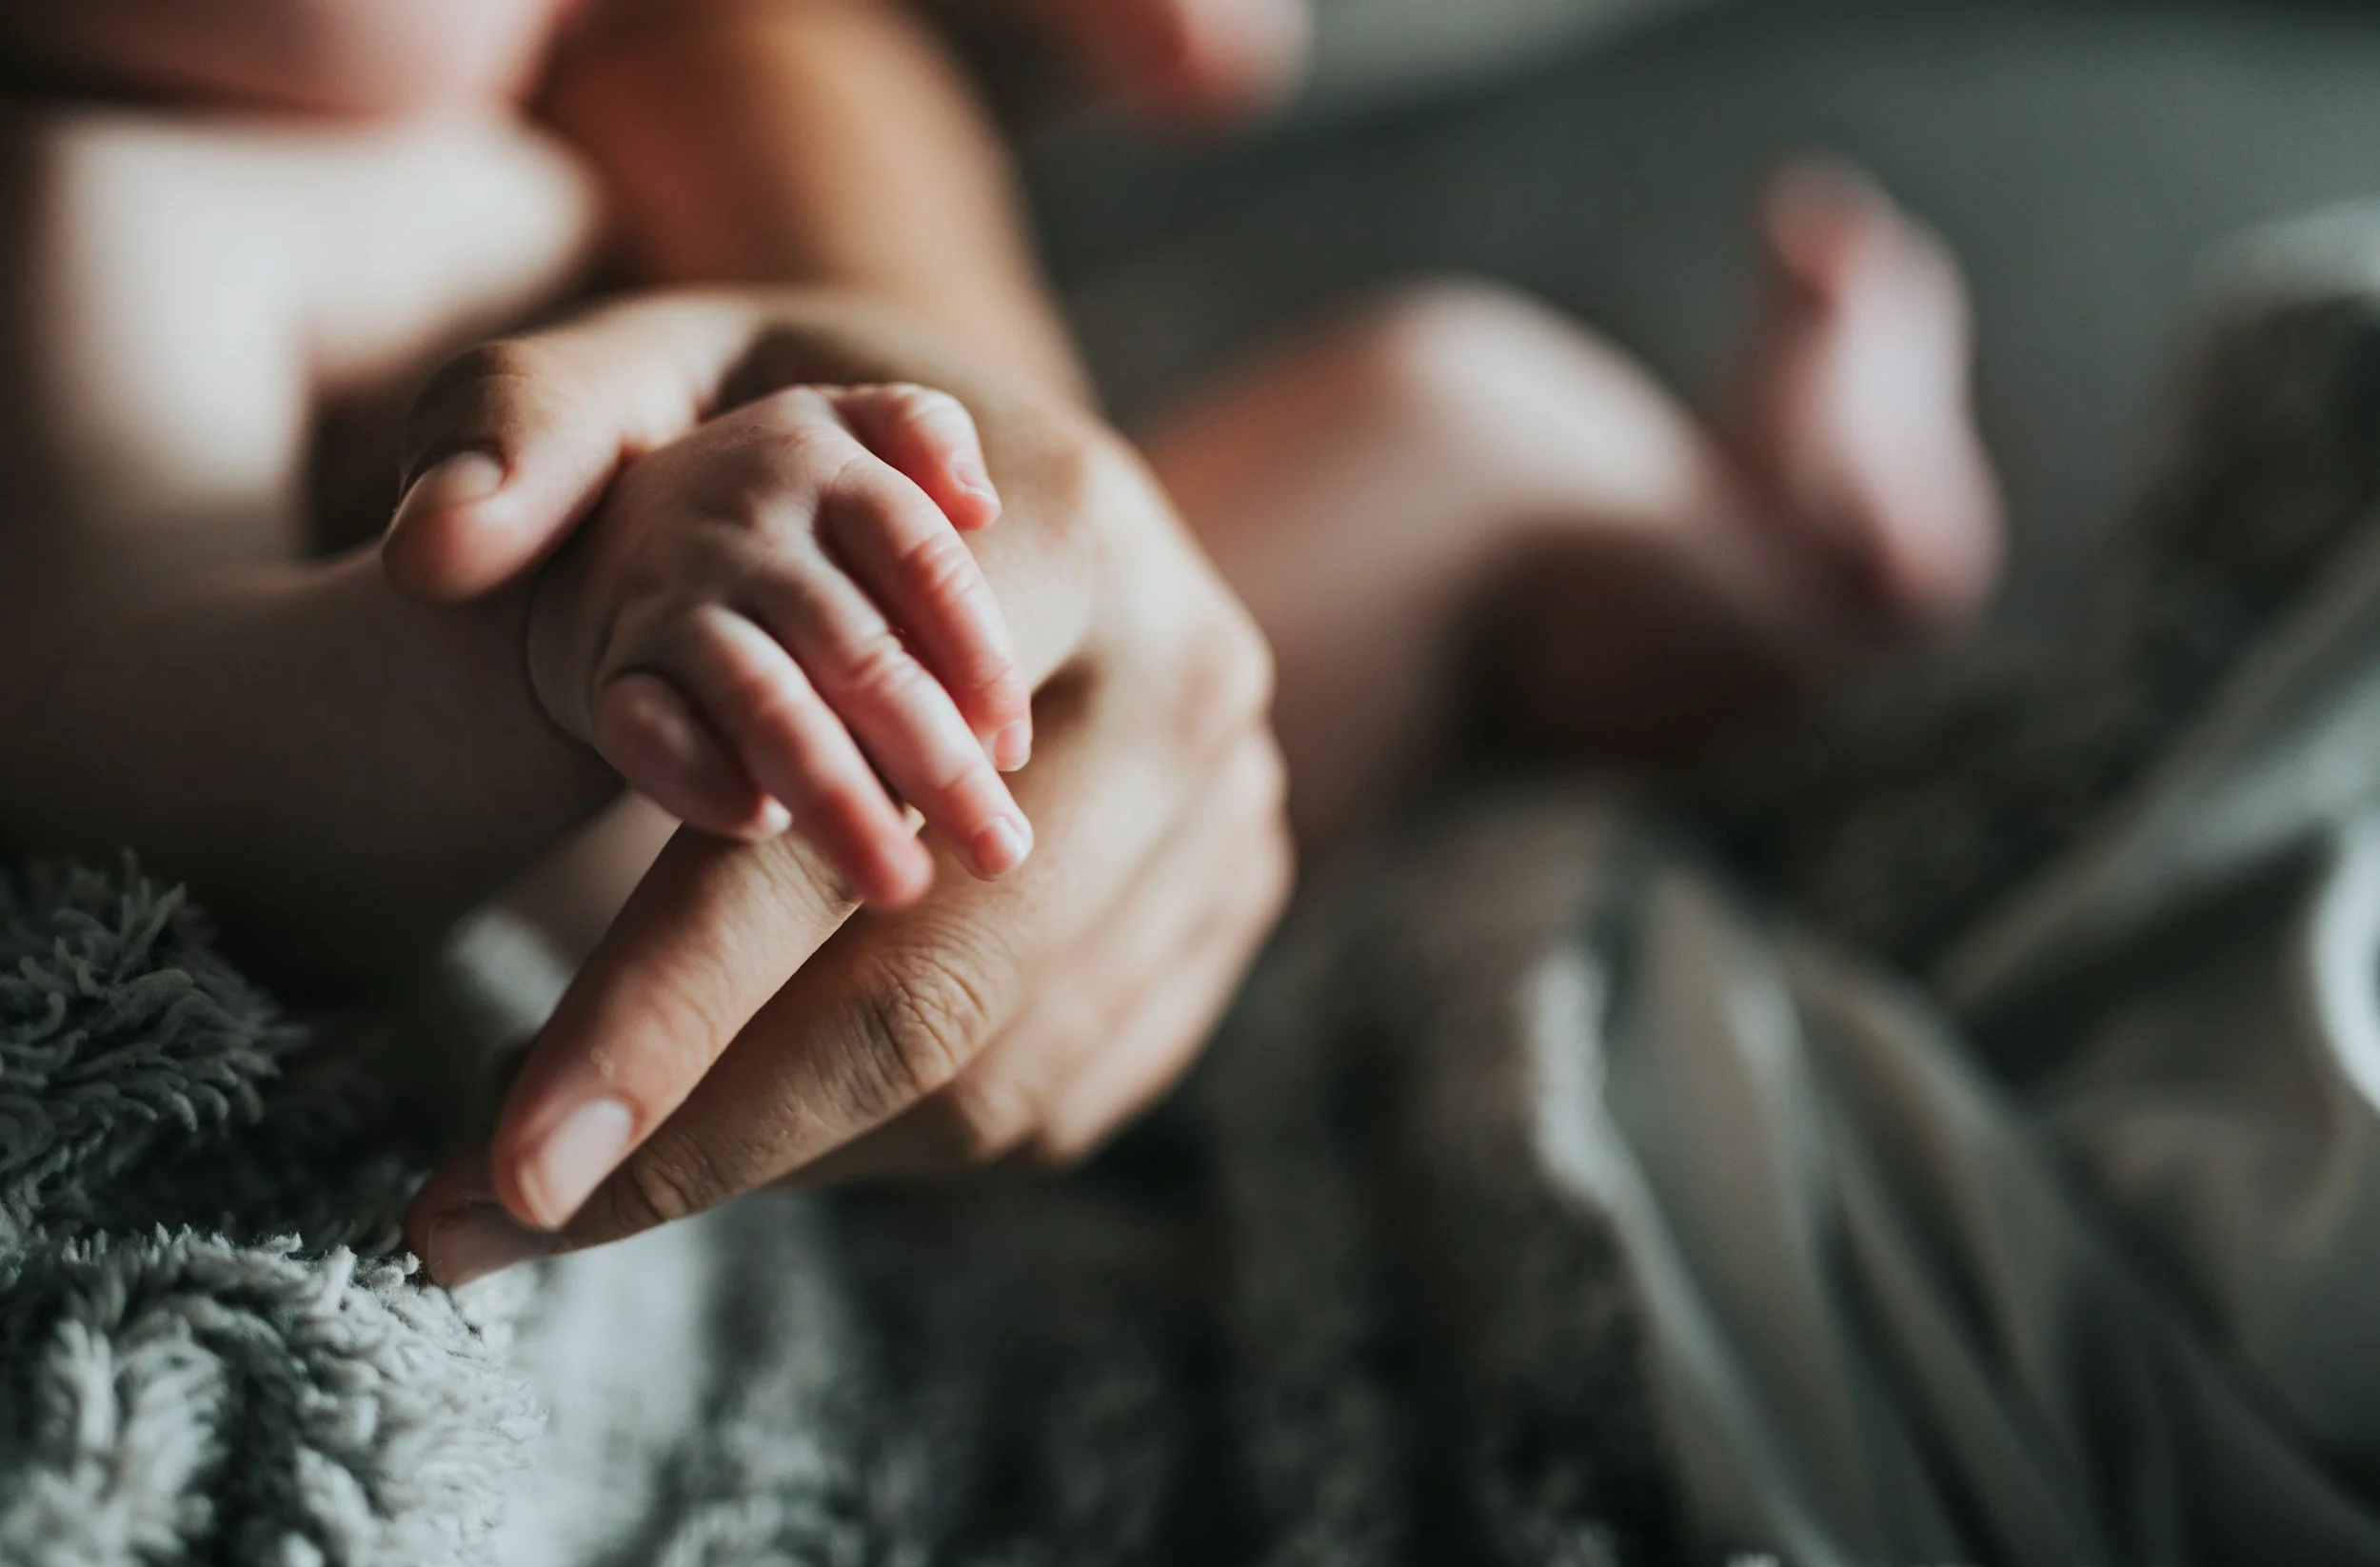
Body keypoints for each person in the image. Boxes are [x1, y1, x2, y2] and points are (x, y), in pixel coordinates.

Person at [0, 0, 1998, 1282]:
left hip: (1025, 785)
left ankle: (1793, 576)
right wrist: (550, 631)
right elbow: (135, 737)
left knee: (1464, 404)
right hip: (716, 980)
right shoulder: (120, 202)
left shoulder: (560, 94)